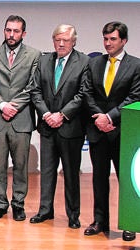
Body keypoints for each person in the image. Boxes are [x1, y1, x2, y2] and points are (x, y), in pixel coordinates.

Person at [81, 21, 138, 242]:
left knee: (125, 180)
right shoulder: (95, 63)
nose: (108, 43)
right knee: (99, 179)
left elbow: (134, 97)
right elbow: (87, 92)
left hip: (123, 131)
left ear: (123, 40)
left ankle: (129, 223)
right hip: (98, 130)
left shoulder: (135, 65)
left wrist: (110, 117)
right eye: (105, 39)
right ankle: (99, 221)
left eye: (113, 39)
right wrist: (99, 117)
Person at [28, 24, 89, 229]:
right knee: (46, 171)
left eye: (65, 40)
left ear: (74, 41)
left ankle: (73, 215)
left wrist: (62, 115)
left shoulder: (84, 62)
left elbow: (83, 94)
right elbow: (35, 91)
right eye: (57, 39)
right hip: (47, 126)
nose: (61, 43)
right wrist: (46, 114)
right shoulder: (44, 60)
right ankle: (45, 210)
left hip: (70, 127)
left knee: (71, 173)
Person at [0, 15, 40, 222]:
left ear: (23, 33)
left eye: (16, 31)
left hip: (21, 118)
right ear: (4, 31)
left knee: (20, 165)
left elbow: (33, 86)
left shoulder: (34, 55)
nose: (11, 34)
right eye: (8, 30)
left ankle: (18, 204)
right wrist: (1, 104)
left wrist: (13, 106)